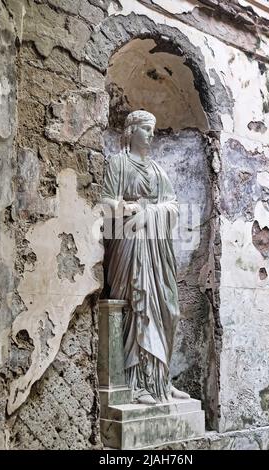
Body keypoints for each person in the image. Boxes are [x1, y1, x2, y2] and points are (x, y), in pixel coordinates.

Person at [102, 110, 189, 405]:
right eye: (147, 129)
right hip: (129, 242)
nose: (152, 135)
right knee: (136, 307)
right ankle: (134, 383)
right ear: (131, 131)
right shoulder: (118, 164)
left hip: (157, 246)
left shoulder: (158, 170)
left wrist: (150, 212)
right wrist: (129, 210)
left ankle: (160, 379)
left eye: (153, 129)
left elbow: (174, 206)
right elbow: (106, 202)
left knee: (168, 307)